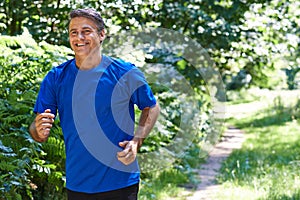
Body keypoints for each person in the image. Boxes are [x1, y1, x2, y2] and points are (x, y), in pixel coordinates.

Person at [29, 8, 160, 200]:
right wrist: (37, 130)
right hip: (78, 183)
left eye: (86, 31)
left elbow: (151, 106)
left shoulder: (125, 73)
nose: (79, 37)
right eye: (74, 32)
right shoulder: (56, 78)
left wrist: (136, 141)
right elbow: (36, 130)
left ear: (102, 34)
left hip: (120, 181)